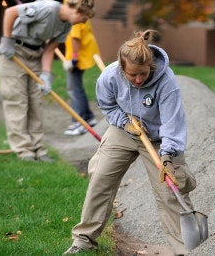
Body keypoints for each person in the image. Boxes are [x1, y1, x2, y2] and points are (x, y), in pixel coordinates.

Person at [64, 30, 198, 254]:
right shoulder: (108, 77)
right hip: (124, 129)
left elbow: (172, 123)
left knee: (170, 190)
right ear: (121, 67)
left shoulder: (166, 82)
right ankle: (83, 241)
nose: (138, 80)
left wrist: (167, 156)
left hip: (158, 138)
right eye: (132, 75)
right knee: (100, 178)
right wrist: (123, 123)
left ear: (151, 67)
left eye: (143, 74)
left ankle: (185, 249)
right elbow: (107, 106)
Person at [0, 0, 96, 162]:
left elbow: (49, 51)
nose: (82, 22)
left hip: (35, 55)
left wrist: (46, 75)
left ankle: (38, 148)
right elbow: (11, 12)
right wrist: (7, 41)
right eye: (83, 18)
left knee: (35, 103)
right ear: (76, 10)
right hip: (13, 54)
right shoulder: (48, 8)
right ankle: (23, 150)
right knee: (17, 102)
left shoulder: (66, 26)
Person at [54, 0, 101, 135]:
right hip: (86, 50)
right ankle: (88, 117)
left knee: (73, 88)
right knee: (77, 86)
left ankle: (79, 121)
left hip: (78, 53)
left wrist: (73, 59)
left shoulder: (70, 4)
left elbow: (75, 35)